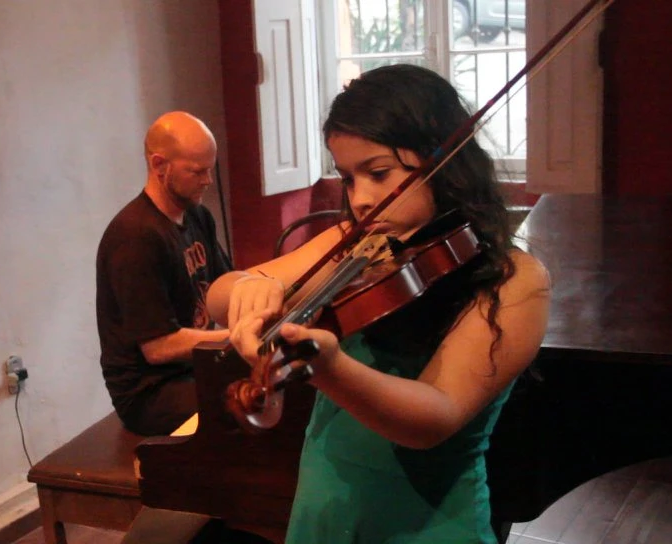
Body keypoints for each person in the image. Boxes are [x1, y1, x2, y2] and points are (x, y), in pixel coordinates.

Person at [206, 64, 551, 543]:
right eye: (348, 178)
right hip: (325, 516)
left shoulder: (513, 281)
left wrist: (330, 367)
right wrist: (247, 286)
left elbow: (435, 417)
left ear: (444, 160)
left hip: (425, 528)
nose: (361, 200)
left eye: (378, 173)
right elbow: (220, 295)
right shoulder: (358, 247)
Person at [96, 111, 231, 436]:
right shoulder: (135, 236)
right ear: (159, 166)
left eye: (210, 169)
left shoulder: (198, 216)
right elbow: (158, 347)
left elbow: (225, 287)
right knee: (242, 404)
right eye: (197, 171)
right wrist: (236, 337)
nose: (208, 181)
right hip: (150, 392)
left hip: (194, 369)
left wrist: (269, 300)